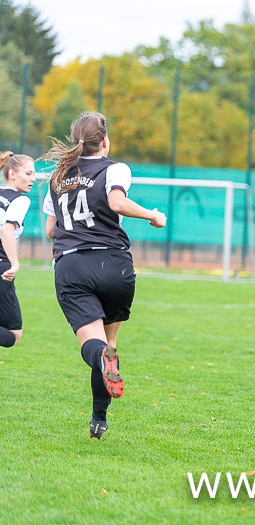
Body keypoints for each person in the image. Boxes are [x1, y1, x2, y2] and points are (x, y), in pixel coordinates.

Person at [41, 111, 167, 439]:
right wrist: (153, 215)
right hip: (115, 265)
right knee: (109, 344)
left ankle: (100, 368)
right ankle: (99, 418)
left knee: (95, 347)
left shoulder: (58, 177)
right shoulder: (115, 169)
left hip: (72, 266)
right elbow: (117, 202)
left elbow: (51, 230)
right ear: (105, 142)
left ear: (75, 142)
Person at [0, 152, 35, 348]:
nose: (33, 179)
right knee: (13, 334)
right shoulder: (20, 200)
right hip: (2, 268)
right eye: (28, 173)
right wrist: (14, 263)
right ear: (12, 173)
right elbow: (6, 230)